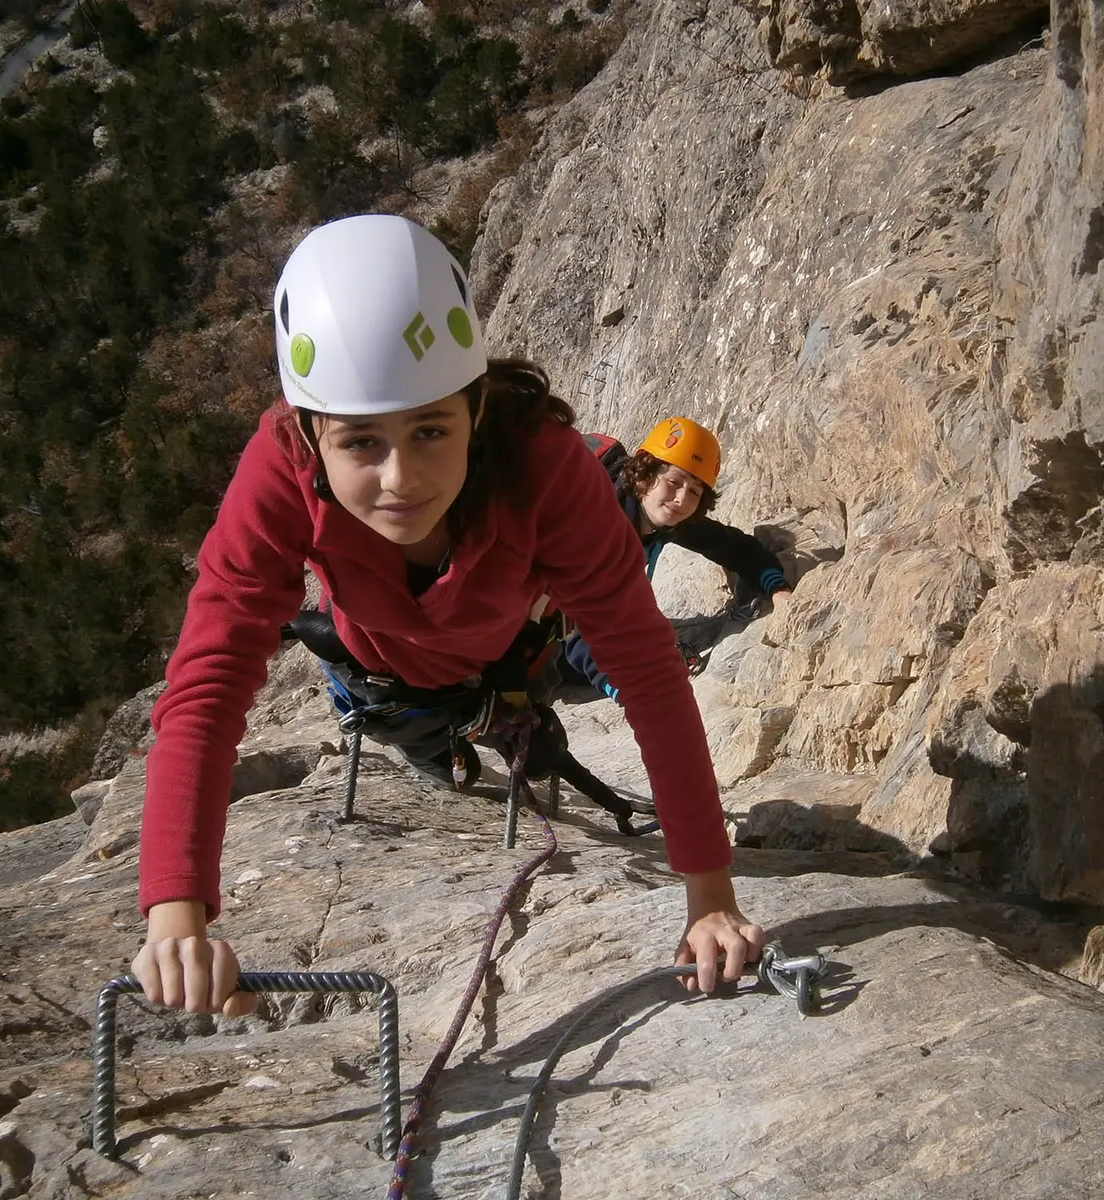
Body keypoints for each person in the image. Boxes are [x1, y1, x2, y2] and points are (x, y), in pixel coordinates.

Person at [133, 215, 764, 1013]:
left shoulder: (546, 469)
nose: (402, 477)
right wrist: (176, 917)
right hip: (383, 685)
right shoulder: (281, 471)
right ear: (310, 435)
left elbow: (643, 663)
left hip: (505, 670)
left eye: (431, 429)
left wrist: (709, 895)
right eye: (360, 442)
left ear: (475, 405)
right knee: (447, 764)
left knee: (532, 762)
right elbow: (211, 677)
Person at [560, 416, 793, 699]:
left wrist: (778, 590)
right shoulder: (596, 523)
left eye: (694, 491)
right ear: (645, 475)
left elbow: (736, 548)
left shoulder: (661, 516)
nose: (681, 498)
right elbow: (576, 629)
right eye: (673, 481)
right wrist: (625, 688)